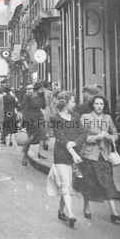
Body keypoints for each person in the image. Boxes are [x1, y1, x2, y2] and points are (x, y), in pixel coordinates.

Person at [79, 95, 120, 223]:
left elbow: (115, 134)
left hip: (104, 156)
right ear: (93, 105)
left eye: (101, 104)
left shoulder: (107, 118)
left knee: (108, 183)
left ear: (104, 106)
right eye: (97, 104)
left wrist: (110, 137)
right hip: (89, 155)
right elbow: (82, 137)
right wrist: (97, 137)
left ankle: (114, 212)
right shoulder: (85, 118)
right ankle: (86, 207)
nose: (99, 106)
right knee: (88, 183)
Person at [46, 91, 83, 229]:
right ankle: (71, 214)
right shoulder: (54, 118)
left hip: (74, 155)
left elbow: (82, 134)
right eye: (73, 101)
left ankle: (61, 211)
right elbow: (60, 137)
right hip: (62, 155)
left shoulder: (76, 116)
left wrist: (75, 143)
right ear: (66, 104)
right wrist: (73, 151)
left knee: (67, 184)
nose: (75, 104)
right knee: (66, 183)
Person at [21, 81, 47, 166]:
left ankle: (38, 152)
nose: (42, 90)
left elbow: (43, 106)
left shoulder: (41, 96)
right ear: (38, 88)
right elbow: (24, 108)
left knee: (42, 133)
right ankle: (25, 155)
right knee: (30, 137)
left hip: (39, 116)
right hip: (30, 117)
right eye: (42, 88)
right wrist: (24, 120)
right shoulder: (28, 96)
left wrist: (43, 96)